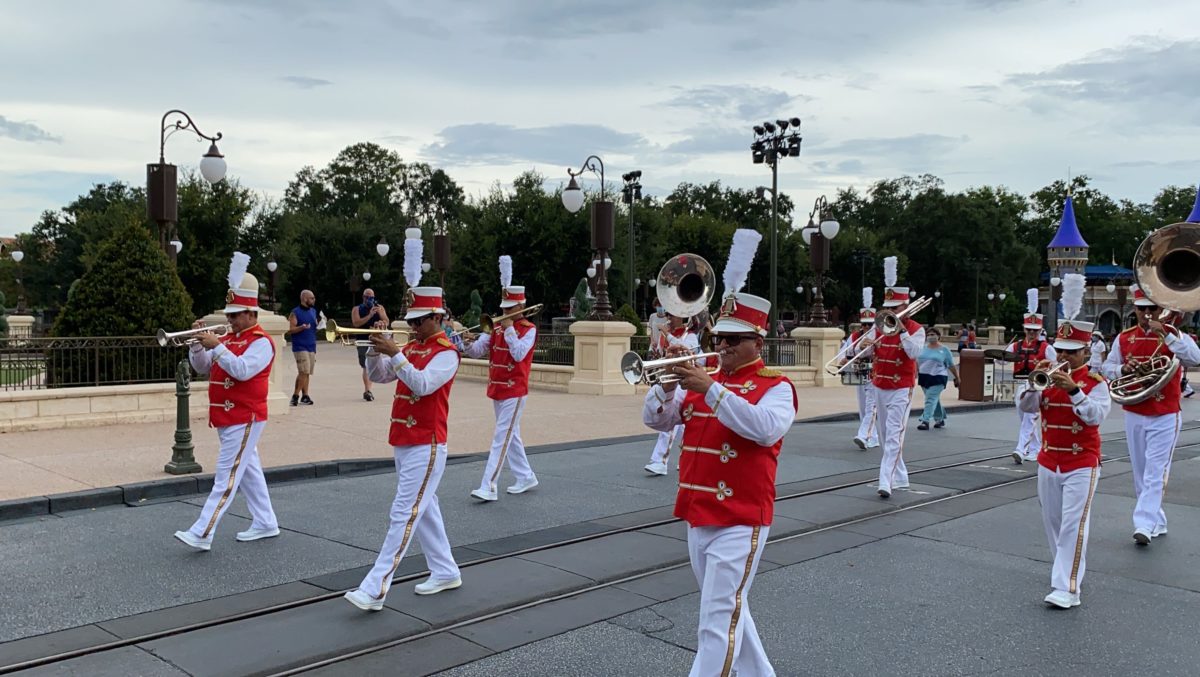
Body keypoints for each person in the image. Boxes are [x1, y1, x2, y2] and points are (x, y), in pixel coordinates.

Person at [642, 229, 795, 676]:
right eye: (720, 337)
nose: (722, 346)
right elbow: (657, 422)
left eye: (734, 339)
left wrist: (709, 389)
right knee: (731, 613)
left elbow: (764, 430)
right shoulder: (707, 382)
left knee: (714, 623)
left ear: (758, 343)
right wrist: (664, 388)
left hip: (741, 517)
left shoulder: (776, 388)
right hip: (698, 514)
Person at [344, 286, 463, 611]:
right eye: (412, 320)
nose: (413, 326)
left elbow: (422, 385)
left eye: (420, 320)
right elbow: (380, 376)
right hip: (405, 439)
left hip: (428, 442)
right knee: (424, 511)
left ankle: (375, 588)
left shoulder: (447, 353)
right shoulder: (412, 346)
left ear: (438, 317)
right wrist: (373, 350)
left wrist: (395, 352)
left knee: (404, 513)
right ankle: (445, 570)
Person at [174, 253, 279, 551]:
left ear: (251, 313)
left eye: (235, 315)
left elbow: (242, 370)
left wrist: (217, 345)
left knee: (226, 476)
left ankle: (202, 532)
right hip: (226, 417)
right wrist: (197, 344)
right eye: (229, 315)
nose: (229, 320)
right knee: (247, 470)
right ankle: (266, 521)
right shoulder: (230, 339)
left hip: (246, 416)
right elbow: (203, 368)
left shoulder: (261, 342)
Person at [1018, 311, 1110, 609]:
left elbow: (1095, 417)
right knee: (1054, 524)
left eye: (1072, 352)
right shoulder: (1046, 376)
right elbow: (1026, 410)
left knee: (1073, 525)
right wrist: (1033, 385)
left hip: (1081, 461)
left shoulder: (1095, 382)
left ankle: (1067, 587)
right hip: (1048, 460)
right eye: (1060, 351)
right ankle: (1067, 573)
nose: (1064, 357)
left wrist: (1073, 389)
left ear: (1086, 351)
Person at [1101, 284, 1200, 546]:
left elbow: (1194, 357)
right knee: (1140, 472)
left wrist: (1167, 335)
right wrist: (1124, 369)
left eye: (1152, 309)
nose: (1146, 314)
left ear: (1162, 308)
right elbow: (1106, 366)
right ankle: (1157, 520)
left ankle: (1143, 522)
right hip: (1135, 410)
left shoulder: (1176, 334)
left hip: (1165, 412)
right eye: (1141, 309)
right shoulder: (1124, 337)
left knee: (1155, 471)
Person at [464, 256, 539, 502]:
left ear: (520, 308)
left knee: (501, 437)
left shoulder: (529, 329)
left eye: (508, 308)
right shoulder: (495, 328)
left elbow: (518, 354)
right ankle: (526, 476)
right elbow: (478, 351)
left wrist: (508, 328)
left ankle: (489, 485)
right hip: (497, 389)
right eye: (503, 307)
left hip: (515, 390)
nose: (503, 311)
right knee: (511, 435)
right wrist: (465, 344)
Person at [858, 256, 925, 499]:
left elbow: (914, 353)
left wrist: (902, 330)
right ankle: (900, 476)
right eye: (888, 308)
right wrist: (861, 347)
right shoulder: (879, 327)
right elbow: (863, 352)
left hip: (901, 387)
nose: (890, 313)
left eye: (894, 309)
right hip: (879, 384)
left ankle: (885, 479)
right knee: (886, 434)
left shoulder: (916, 329)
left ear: (905, 307)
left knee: (894, 433)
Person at [643, 309, 699, 476]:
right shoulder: (667, 335)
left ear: (683, 318)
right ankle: (682, 458)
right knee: (680, 423)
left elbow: (687, 353)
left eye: (672, 316)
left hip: (687, 382)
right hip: (670, 381)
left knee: (671, 426)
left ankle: (660, 461)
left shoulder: (690, 336)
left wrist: (667, 335)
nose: (669, 319)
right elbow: (661, 355)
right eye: (668, 315)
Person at [1007, 290, 1056, 464]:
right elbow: (1002, 359)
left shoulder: (1046, 347)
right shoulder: (1016, 345)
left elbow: (1056, 364)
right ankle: (1036, 449)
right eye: (1029, 330)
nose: (1031, 334)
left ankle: (1020, 449)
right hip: (1019, 383)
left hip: (1036, 386)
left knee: (1029, 418)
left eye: (1035, 331)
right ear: (1024, 329)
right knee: (1025, 419)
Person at [843, 289, 879, 450]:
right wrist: (855, 350)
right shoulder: (855, 336)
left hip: (875, 373)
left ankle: (863, 435)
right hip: (859, 372)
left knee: (871, 406)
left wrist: (871, 345)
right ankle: (873, 437)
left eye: (869, 324)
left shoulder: (880, 335)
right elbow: (844, 354)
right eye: (863, 324)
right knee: (863, 406)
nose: (865, 327)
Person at [916, 328, 960, 430]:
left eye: (933, 334)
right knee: (934, 399)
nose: (931, 336)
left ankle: (925, 420)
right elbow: (917, 362)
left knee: (930, 399)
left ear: (938, 336)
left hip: (938, 377)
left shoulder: (944, 350)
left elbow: (951, 365)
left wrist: (957, 377)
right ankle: (940, 419)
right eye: (929, 334)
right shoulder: (922, 348)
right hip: (924, 377)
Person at [351, 289, 389, 402]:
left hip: (376, 339)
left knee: (373, 363)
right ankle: (368, 390)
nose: (369, 299)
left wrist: (381, 315)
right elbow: (356, 323)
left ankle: (368, 390)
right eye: (367, 297)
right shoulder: (357, 309)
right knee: (366, 365)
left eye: (371, 297)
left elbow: (387, 322)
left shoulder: (379, 307)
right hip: (363, 340)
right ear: (363, 297)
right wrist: (370, 315)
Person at [288, 289, 318, 406]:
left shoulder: (313, 311)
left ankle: (305, 396)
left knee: (307, 372)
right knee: (303, 370)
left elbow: (313, 327)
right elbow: (290, 329)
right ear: (305, 299)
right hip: (300, 346)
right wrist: (301, 327)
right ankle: (295, 396)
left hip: (311, 345)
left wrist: (320, 325)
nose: (314, 300)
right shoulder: (295, 312)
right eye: (312, 298)